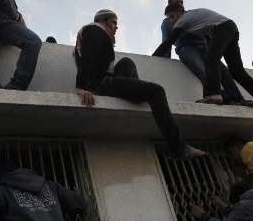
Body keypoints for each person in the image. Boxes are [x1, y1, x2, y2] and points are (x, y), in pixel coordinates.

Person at [74, 9, 206, 160]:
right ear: (103, 21)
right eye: (114, 22)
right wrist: (81, 87)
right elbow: (87, 57)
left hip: (106, 79)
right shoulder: (95, 29)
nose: (116, 27)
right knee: (156, 91)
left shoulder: (102, 34)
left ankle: (137, 94)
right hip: (100, 84)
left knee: (126, 62)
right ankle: (177, 148)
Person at [154, 4, 253, 108]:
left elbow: (169, 41)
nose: (172, 21)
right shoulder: (194, 16)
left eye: (172, 16)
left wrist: (154, 56)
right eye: (169, 19)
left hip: (222, 29)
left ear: (180, 11)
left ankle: (213, 94)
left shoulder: (183, 19)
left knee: (211, 60)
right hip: (231, 28)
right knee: (236, 70)